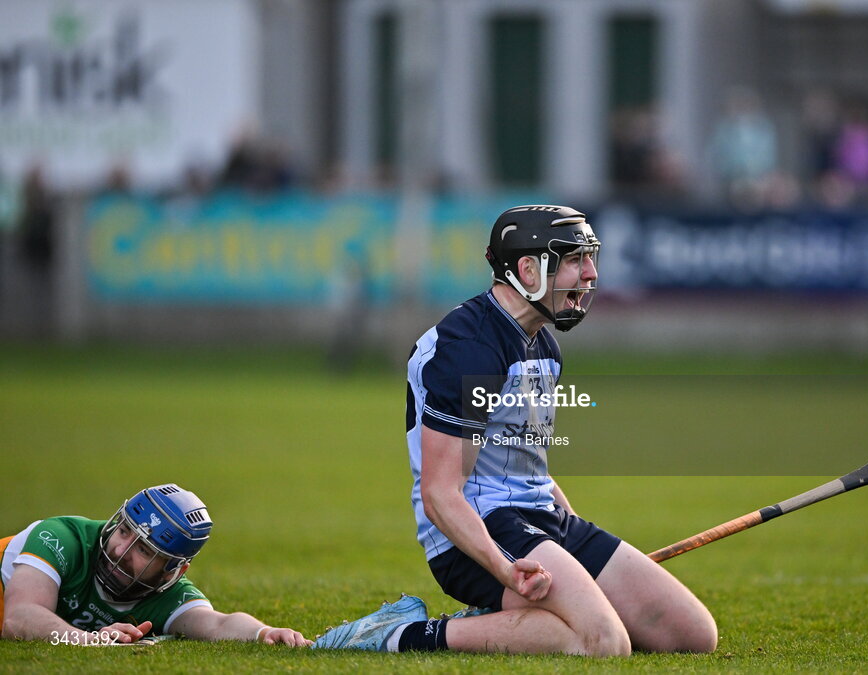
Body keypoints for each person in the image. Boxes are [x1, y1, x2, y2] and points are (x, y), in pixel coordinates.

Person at [313, 205, 717, 655]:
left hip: (540, 521)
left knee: (692, 634)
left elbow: (525, 461)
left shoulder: (544, 342)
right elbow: (440, 495)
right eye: (574, 260)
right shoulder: (466, 349)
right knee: (603, 643)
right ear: (527, 269)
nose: (589, 274)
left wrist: (575, 538)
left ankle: (512, 619)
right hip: (473, 532)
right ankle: (398, 635)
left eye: (590, 258)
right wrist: (504, 572)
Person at [1, 483, 310, 647]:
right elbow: (17, 620)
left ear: (173, 571)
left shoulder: (168, 596)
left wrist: (265, 633)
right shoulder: (61, 537)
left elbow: (217, 623)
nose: (122, 550)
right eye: (124, 531)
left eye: (145, 551)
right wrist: (90, 640)